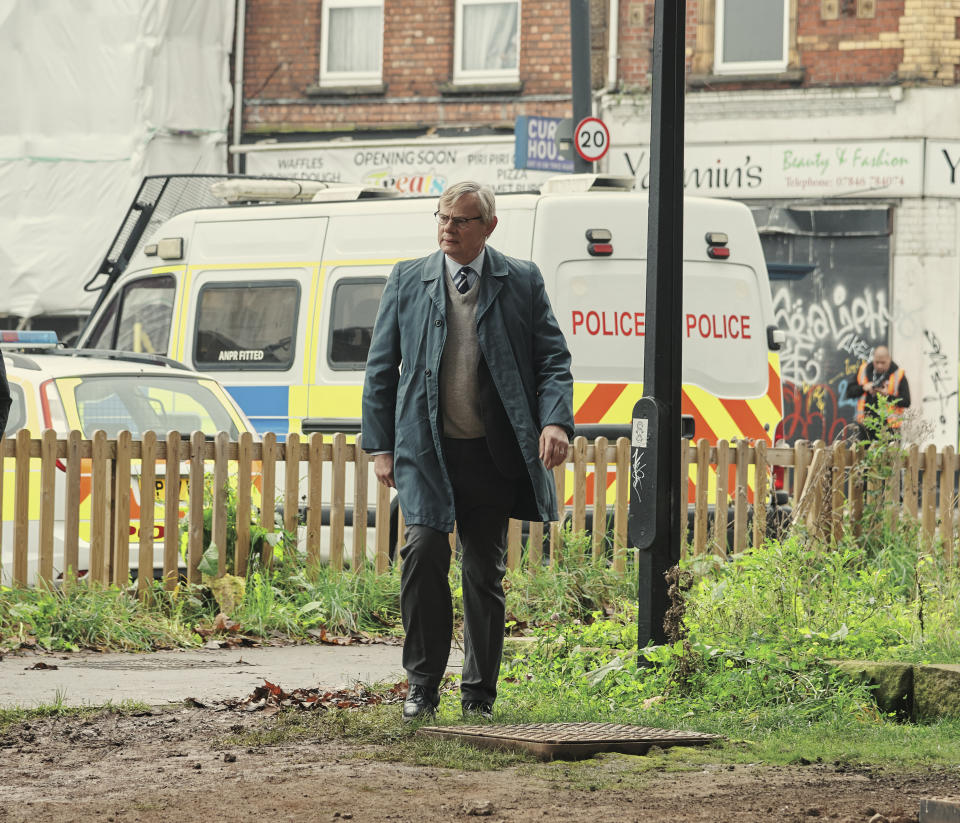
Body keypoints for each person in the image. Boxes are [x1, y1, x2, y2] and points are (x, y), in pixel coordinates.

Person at [361, 181, 574, 722]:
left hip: (492, 454)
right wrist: (380, 445)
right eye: (443, 218)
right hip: (426, 450)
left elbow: (552, 359)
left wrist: (555, 422)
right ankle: (422, 687)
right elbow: (381, 367)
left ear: (488, 227)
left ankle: (478, 696)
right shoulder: (409, 279)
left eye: (461, 220)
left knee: (483, 572)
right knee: (424, 553)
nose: (448, 228)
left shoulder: (521, 280)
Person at [847, 345, 910, 440]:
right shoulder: (863, 370)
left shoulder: (899, 374)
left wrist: (887, 396)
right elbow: (849, 392)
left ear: (889, 359)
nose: (879, 365)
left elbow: (906, 401)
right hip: (866, 427)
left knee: (889, 455)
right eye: (877, 362)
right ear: (873, 359)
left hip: (890, 428)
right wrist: (864, 387)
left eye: (883, 362)